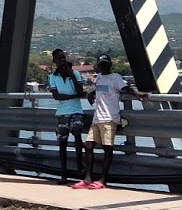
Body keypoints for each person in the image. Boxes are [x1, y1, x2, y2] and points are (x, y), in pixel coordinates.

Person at [74, 54, 149, 189]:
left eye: (106, 63)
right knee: (89, 145)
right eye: (101, 64)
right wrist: (91, 93)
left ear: (110, 65)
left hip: (109, 118)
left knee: (107, 148)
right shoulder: (99, 78)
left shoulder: (115, 77)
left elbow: (124, 88)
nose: (104, 66)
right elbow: (99, 91)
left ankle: (103, 180)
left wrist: (136, 94)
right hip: (97, 118)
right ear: (98, 65)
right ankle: (87, 178)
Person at [47, 49, 87, 183]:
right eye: (59, 59)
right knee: (62, 142)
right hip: (62, 112)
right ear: (55, 61)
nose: (62, 61)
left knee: (77, 131)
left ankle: (79, 164)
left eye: (63, 58)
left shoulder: (75, 73)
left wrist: (72, 75)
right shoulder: (52, 77)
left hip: (76, 110)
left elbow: (81, 90)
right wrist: (75, 96)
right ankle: (63, 174)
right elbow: (57, 96)